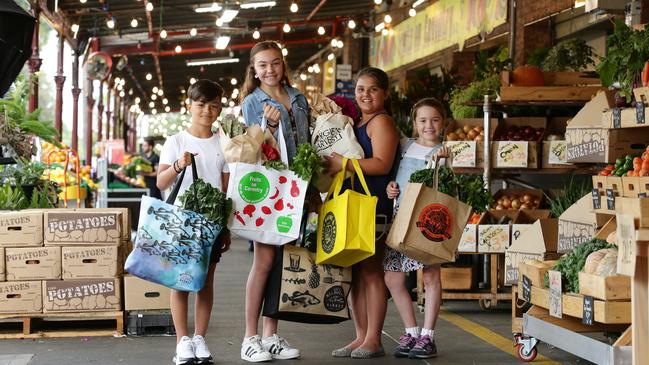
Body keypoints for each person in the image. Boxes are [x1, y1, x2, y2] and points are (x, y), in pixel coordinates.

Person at [238, 40, 309, 363]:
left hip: (298, 187)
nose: (270, 70)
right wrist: (268, 125)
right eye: (263, 65)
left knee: (281, 262)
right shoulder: (253, 102)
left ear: (284, 65)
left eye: (275, 63)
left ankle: (271, 336)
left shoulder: (299, 98)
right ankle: (249, 337)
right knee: (264, 261)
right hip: (270, 189)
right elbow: (254, 145)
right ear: (254, 69)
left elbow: (307, 142)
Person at [324, 67, 400, 359]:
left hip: (374, 204)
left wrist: (343, 164)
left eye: (372, 89)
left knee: (371, 272)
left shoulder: (382, 122)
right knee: (355, 272)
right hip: (354, 203)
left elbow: (381, 163)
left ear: (385, 94)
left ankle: (374, 339)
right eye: (360, 89)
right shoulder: (356, 123)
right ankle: (360, 336)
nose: (365, 95)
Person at [157, 79, 231, 365]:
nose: (206, 111)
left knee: (205, 283)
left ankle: (200, 337)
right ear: (189, 105)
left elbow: (225, 189)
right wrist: (178, 165)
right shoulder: (175, 141)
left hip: (210, 223)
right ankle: (181, 341)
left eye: (213, 106)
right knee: (180, 282)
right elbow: (161, 182)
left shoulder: (223, 143)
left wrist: (225, 227)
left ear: (220, 108)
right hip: (181, 222)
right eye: (200, 105)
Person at [384, 98, 450, 359]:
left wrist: (444, 163)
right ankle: (411, 331)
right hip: (400, 218)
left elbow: (447, 192)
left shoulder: (447, 151)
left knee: (431, 276)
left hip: (428, 221)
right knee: (393, 277)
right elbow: (395, 176)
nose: (429, 125)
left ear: (443, 122)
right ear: (414, 124)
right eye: (423, 120)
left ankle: (428, 337)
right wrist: (391, 188)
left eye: (434, 120)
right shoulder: (405, 146)